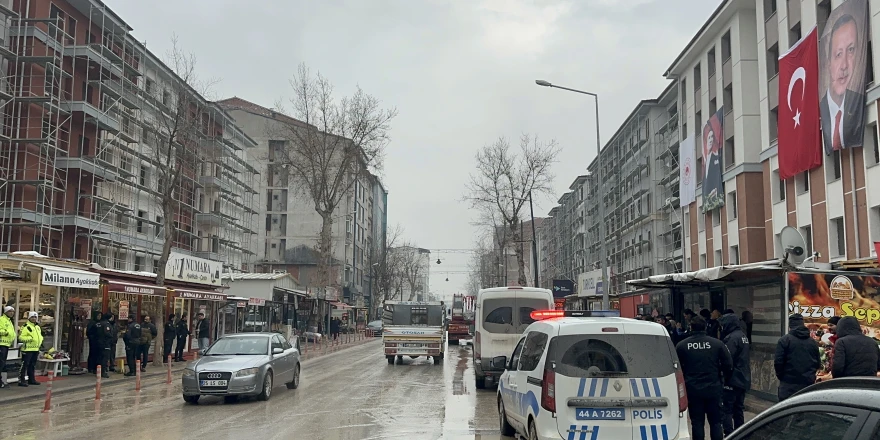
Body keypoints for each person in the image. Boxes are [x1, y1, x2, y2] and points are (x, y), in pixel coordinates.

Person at [675, 315, 732, 440]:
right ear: (705, 327)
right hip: (713, 388)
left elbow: (676, 368)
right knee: (716, 422)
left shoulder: (682, 345)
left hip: (693, 389)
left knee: (697, 423)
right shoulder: (717, 344)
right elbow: (728, 364)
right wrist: (723, 379)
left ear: (691, 327)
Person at [820, 13, 867, 154]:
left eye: (851, 50)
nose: (844, 65)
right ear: (829, 64)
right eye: (838, 54)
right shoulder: (819, 109)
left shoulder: (859, 101)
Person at [774, 314, 820, 400]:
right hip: (807, 384)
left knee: (786, 410)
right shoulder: (812, 342)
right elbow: (817, 362)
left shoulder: (784, 340)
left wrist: (783, 377)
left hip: (788, 384)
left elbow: (778, 362)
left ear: (790, 326)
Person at [720, 310, 750, 435]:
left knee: (727, 409)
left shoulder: (732, 338)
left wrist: (723, 376)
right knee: (738, 409)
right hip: (743, 378)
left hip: (732, 379)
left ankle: (729, 434)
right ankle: (740, 433)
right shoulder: (743, 336)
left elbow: (727, 360)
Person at [17, 311, 43, 386]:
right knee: (25, 365)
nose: (34, 318)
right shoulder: (25, 327)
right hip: (27, 349)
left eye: (35, 317)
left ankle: (31, 379)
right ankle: (21, 380)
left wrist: (40, 340)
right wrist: (30, 338)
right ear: (29, 318)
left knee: (32, 365)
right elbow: (21, 337)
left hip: (35, 349)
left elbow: (39, 336)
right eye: (32, 317)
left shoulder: (37, 327)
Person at [0, 306, 15, 387]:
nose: (12, 313)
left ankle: (1, 381)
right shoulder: (2, 319)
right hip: (1, 344)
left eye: (13, 311)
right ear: (5, 312)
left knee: (2, 363)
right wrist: (5, 333)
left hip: (6, 344)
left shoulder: (9, 321)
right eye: (10, 311)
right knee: (1, 363)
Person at [96, 313, 114, 378]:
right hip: (105, 343)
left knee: (99, 357)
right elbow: (107, 333)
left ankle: (98, 371)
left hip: (98, 343)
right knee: (104, 358)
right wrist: (111, 336)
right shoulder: (106, 324)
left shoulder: (98, 323)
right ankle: (103, 372)